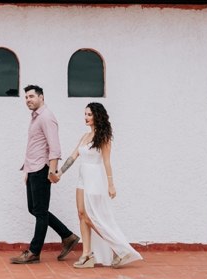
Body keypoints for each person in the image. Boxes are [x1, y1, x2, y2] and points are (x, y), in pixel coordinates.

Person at [57, 102, 142, 268]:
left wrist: (111, 185)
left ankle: (118, 250)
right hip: (82, 177)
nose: (86, 117)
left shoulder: (103, 138)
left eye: (89, 114)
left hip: (95, 178)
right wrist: (60, 172)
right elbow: (73, 156)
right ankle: (87, 254)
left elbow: (107, 163)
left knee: (91, 218)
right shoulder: (84, 137)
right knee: (81, 214)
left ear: (97, 116)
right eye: (85, 114)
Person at [10, 85, 80, 265]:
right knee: (33, 209)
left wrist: (52, 171)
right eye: (26, 97)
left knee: (40, 212)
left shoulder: (46, 117)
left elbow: (54, 147)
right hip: (33, 168)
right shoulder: (35, 118)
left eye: (31, 96)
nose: (28, 100)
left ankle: (34, 252)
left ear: (41, 97)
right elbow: (34, 145)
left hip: (42, 169)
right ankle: (67, 236)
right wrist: (27, 170)